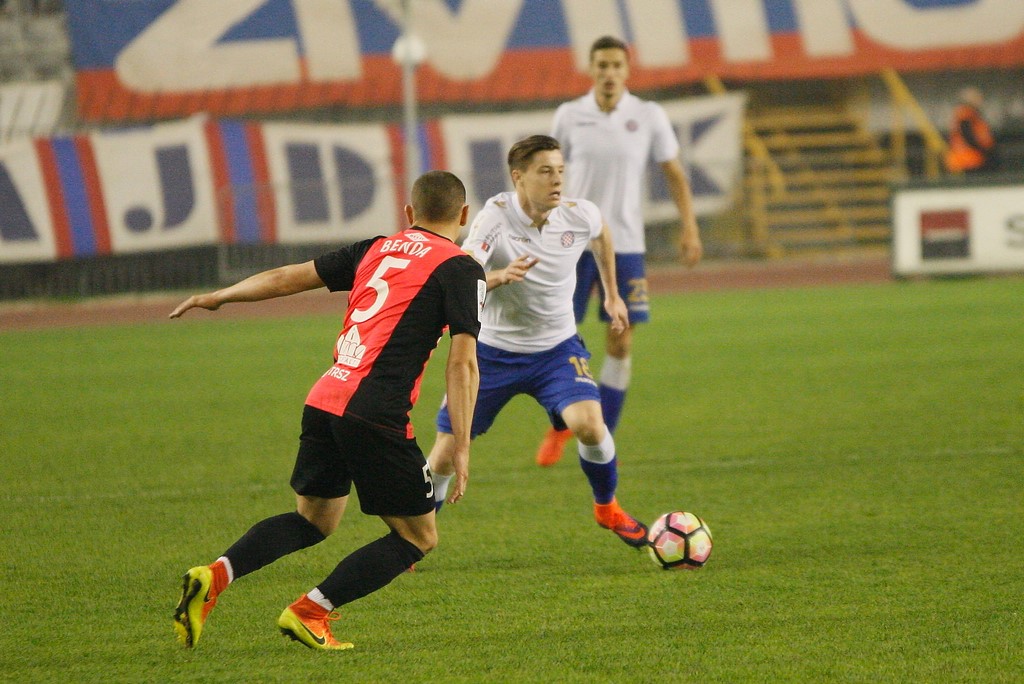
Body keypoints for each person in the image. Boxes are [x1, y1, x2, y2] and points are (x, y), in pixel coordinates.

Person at [168, 170, 484, 651]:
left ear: (407, 214)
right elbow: (462, 364)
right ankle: (310, 612)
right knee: (419, 537)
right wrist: (460, 445)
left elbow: (287, 277)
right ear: (464, 215)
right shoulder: (461, 267)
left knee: (314, 521)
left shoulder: (376, 248)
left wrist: (221, 296)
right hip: (374, 411)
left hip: (327, 395)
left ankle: (214, 576)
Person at [427, 134, 649, 548]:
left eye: (561, 171)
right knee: (444, 452)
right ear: (519, 177)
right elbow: (466, 269)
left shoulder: (578, 215)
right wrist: (497, 277)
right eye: (545, 171)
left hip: (556, 351)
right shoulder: (494, 216)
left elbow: (602, 236)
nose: (557, 180)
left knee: (590, 425)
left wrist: (613, 294)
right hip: (491, 354)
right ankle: (415, 534)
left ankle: (607, 507)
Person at [535, 35, 703, 467]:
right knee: (556, 341)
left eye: (616, 65)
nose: (609, 73)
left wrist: (689, 228)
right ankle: (559, 427)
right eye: (601, 65)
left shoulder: (647, 115)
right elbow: (546, 172)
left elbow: (675, 174)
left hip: (625, 243)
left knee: (621, 339)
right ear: (591, 70)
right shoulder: (569, 115)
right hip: (571, 244)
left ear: (627, 71)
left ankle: (601, 437)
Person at [945, 87, 997, 175]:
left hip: (972, 158)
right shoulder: (965, 114)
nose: (980, 100)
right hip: (968, 160)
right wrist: (984, 149)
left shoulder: (971, 114)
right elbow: (968, 135)